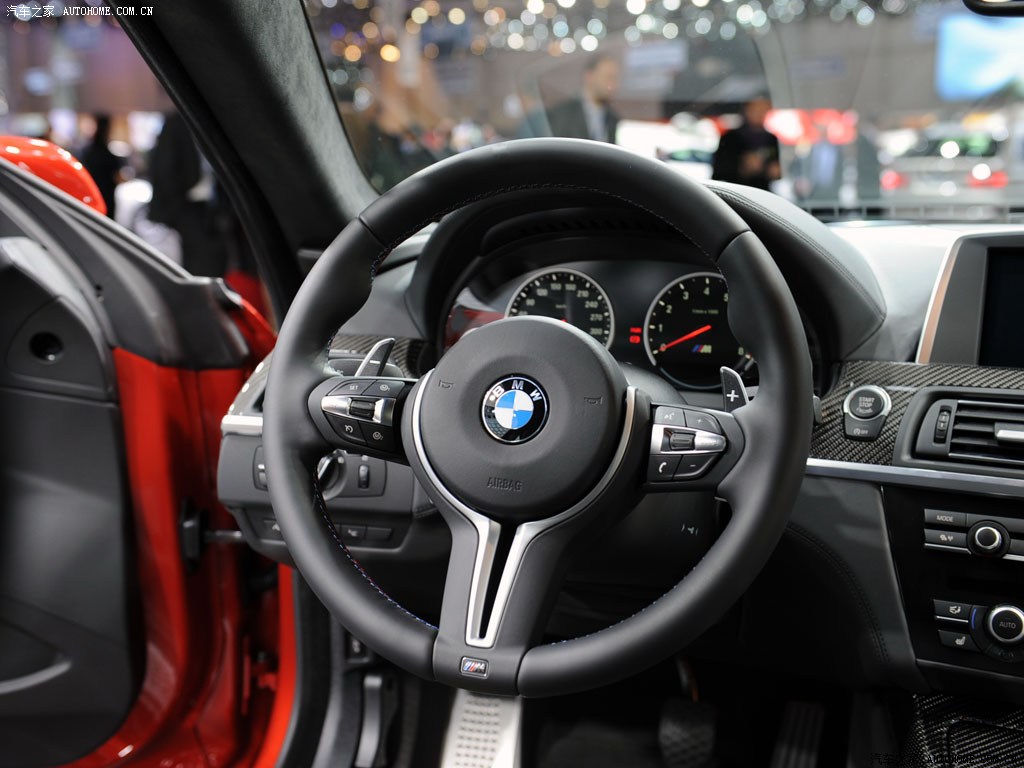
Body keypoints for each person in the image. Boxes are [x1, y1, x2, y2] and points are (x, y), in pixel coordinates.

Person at [522, 55, 621, 143]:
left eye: (615, 78)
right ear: (589, 76)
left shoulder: (613, 119)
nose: (612, 85)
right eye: (608, 77)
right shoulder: (562, 115)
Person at [711, 96, 781, 190]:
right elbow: (718, 171)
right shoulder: (730, 138)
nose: (760, 113)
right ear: (747, 109)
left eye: (764, 110)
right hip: (735, 191)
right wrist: (742, 166)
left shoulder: (771, 139)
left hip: (762, 192)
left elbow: (779, 169)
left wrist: (773, 170)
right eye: (756, 109)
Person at [80, 114, 124, 219]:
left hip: (91, 195)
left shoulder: (87, 153)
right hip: (106, 196)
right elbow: (118, 177)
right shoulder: (109, 155)